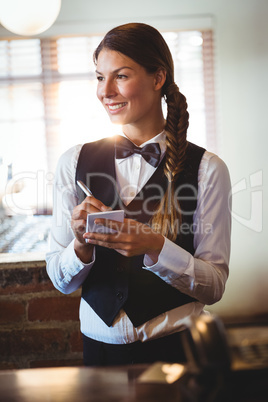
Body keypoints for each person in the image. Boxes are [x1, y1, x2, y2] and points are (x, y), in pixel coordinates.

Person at [46, 22, 231, 366]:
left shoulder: (208, 169)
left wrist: (156, 248)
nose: (105, 91)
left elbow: (214, 286)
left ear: (158, 77)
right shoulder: (72, 162)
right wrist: (81, 246)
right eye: (100, 77)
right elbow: (60, 280)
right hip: (98, 355)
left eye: (122, 76)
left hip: (177, 351)